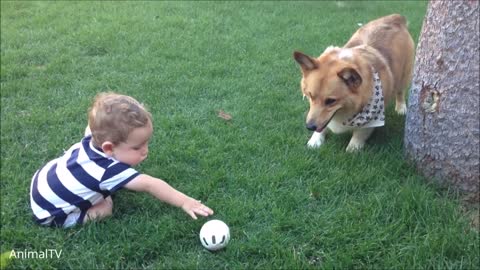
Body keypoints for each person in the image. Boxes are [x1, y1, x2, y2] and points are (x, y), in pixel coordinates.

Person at [30, 92, 213, 228]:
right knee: (106, 207)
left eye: (146, 143)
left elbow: (100, 123)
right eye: (137, 147)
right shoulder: (108, 170)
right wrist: (185, 201)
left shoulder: (92, 137)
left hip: (42, 179)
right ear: (109, 148)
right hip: (49, 212)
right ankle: (76, 215)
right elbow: (150, 184)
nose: (145, 151)